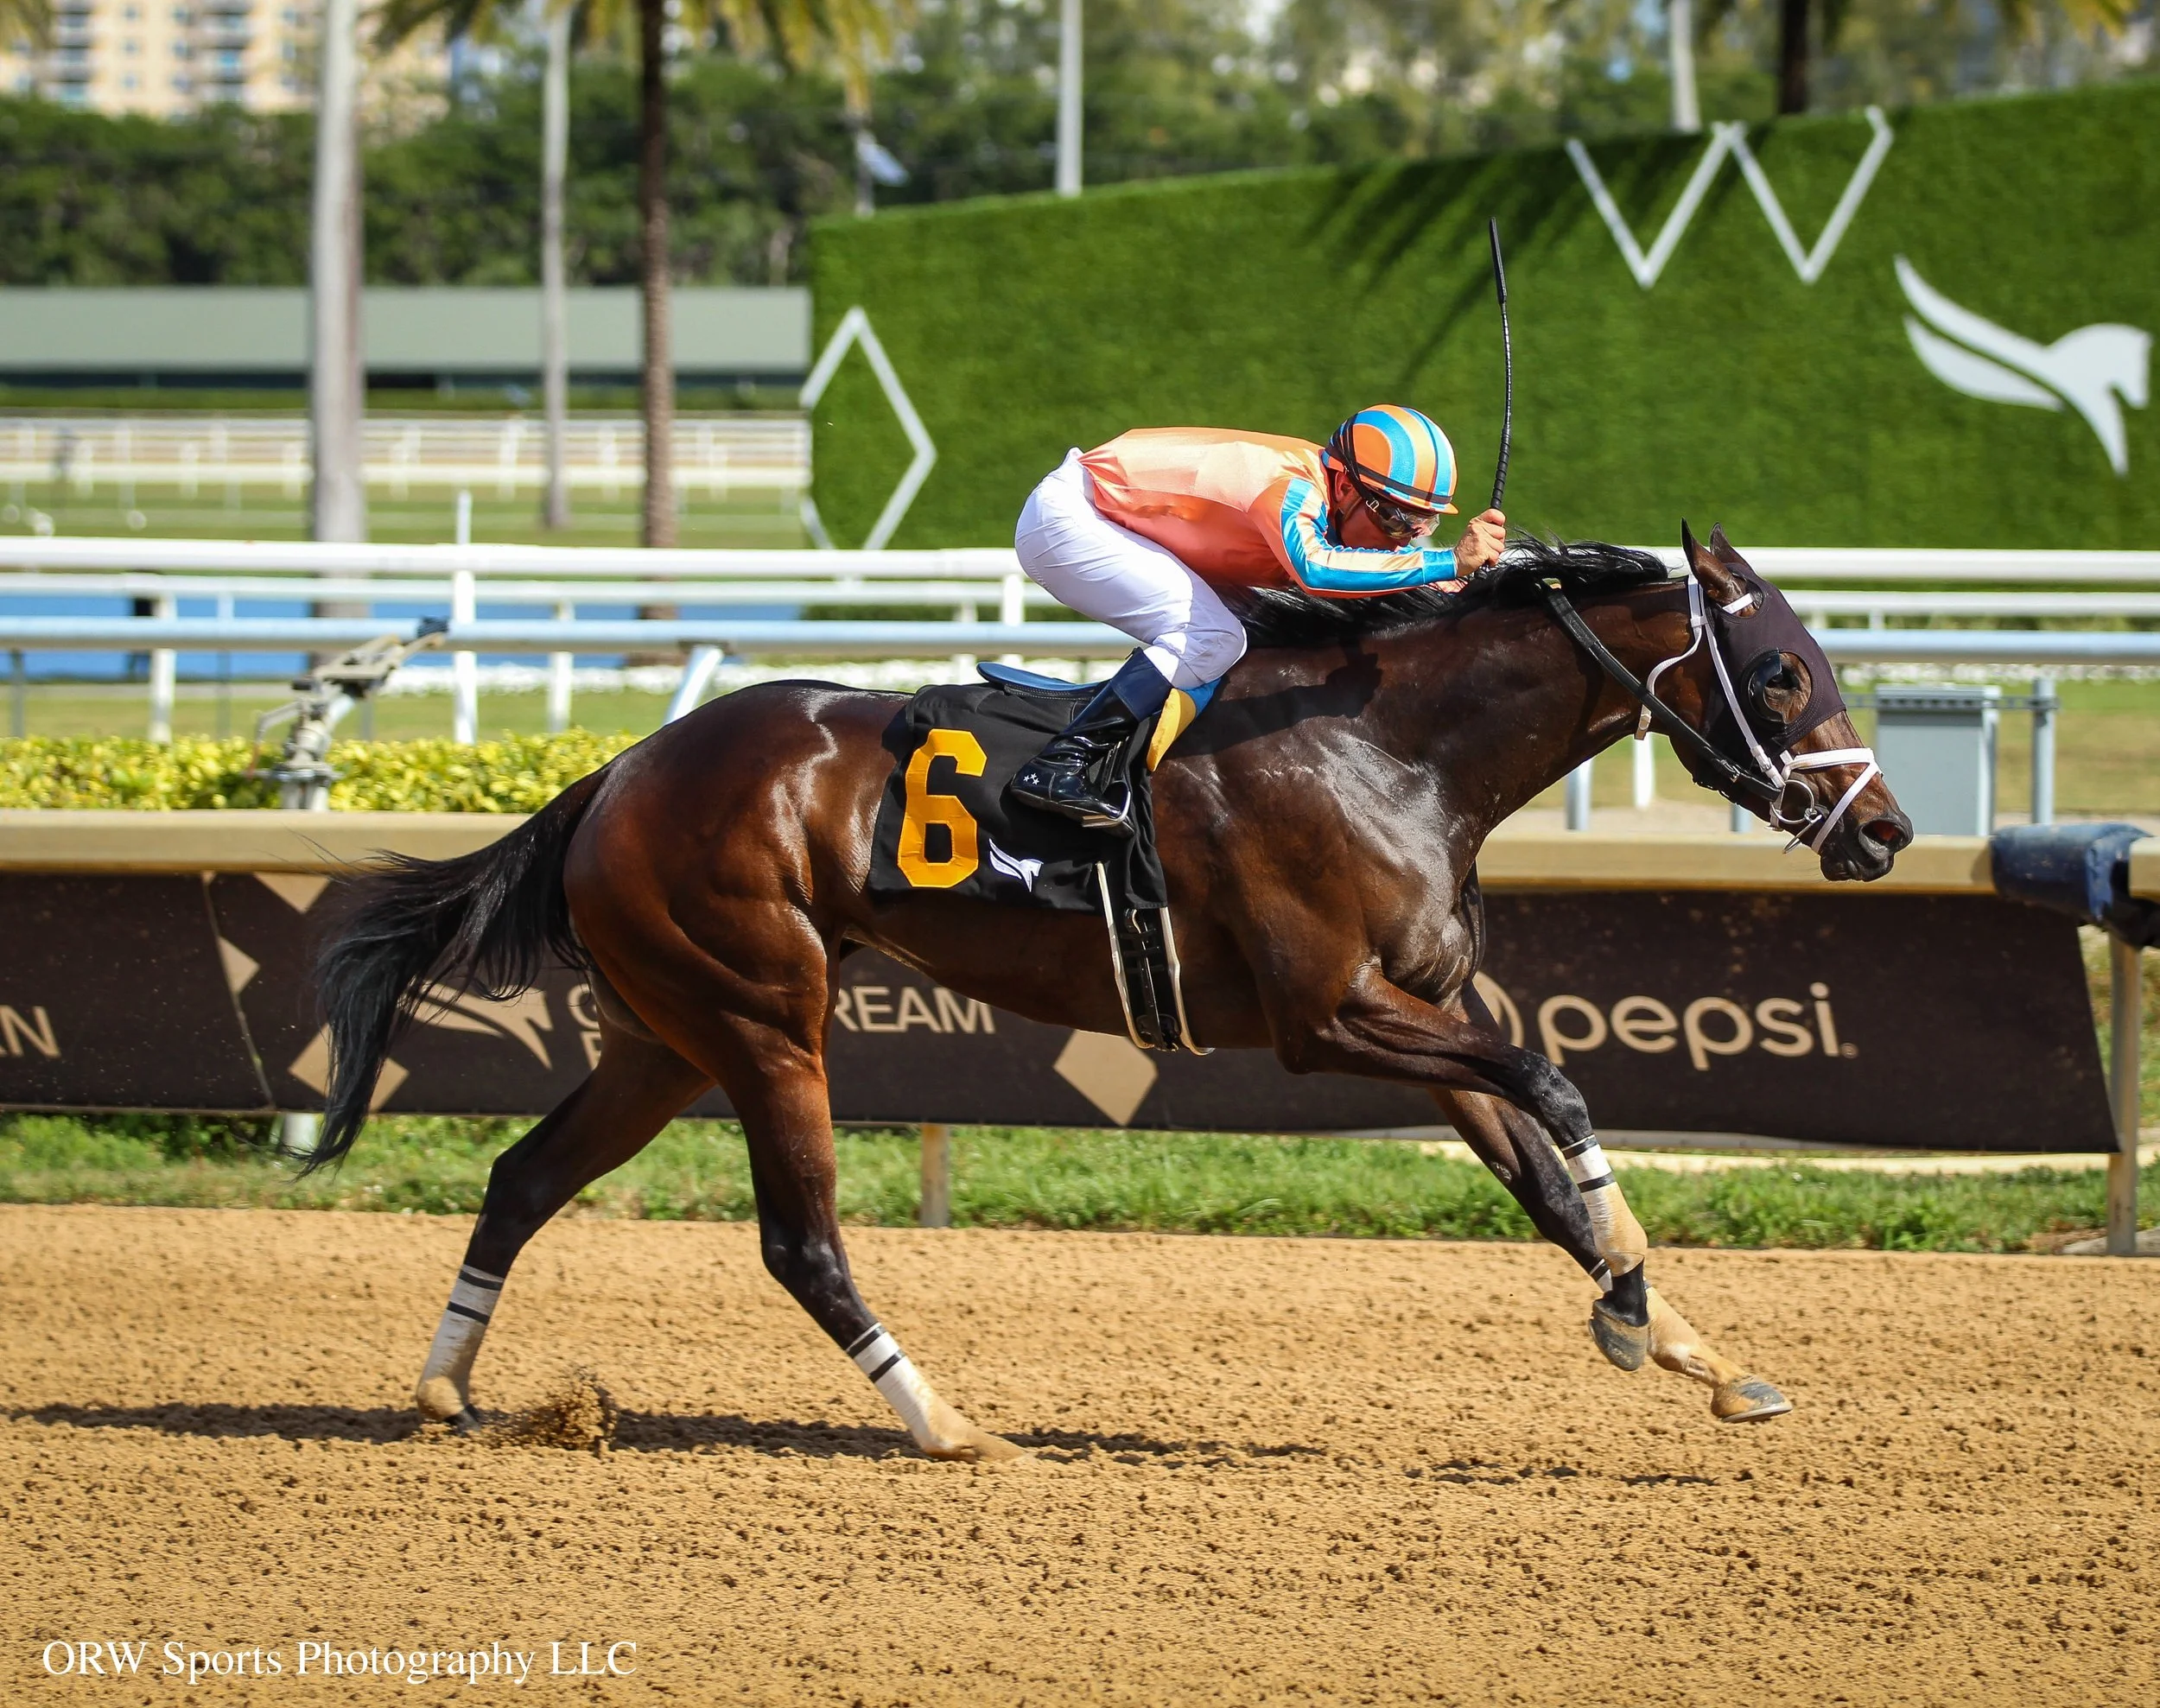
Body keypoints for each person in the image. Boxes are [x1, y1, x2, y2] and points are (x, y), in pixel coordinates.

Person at [1006, 404, 1509, 831]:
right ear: (1345, 486)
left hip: (1118, 517)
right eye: (1396, 518)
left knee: (1260, 628)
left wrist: (1457, 584)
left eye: (1423, 522)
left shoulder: (1330, 492)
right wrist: (1446, 561)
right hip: (1070, 520)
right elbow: (1317, 570)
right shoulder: (1288, 487)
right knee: (1212, 637)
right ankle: (1058, 763)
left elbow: (1370, 566)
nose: (1406, 535)